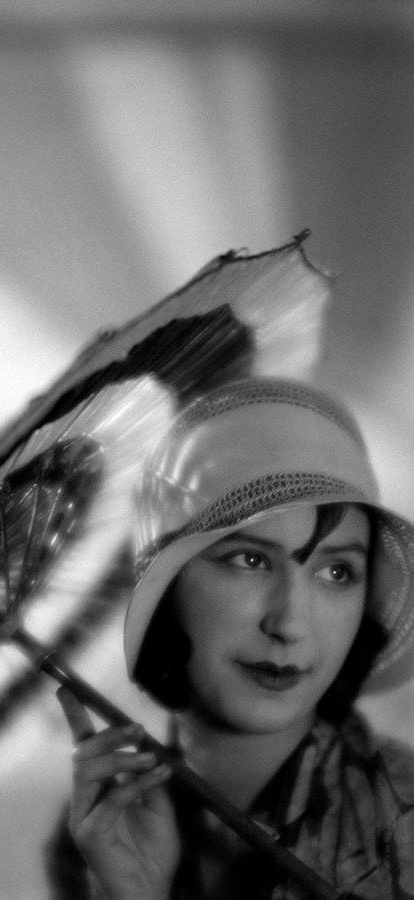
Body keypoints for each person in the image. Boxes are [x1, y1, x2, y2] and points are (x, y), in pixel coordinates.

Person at [50, 377, 414, 899]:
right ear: (166, 587)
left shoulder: (402, 819)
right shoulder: (94, 844)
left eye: (337, 572)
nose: (289, 624)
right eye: (250, 560)